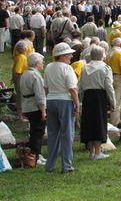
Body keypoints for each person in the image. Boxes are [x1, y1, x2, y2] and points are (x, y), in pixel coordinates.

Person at [44, 42, 79, 173]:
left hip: (51, 100)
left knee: (53, 134)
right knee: (67, 133)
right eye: (69, 54)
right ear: (63, 55)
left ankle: (50, 165)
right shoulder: (67, 68)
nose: (70, 56)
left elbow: (46, 87)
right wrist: (77, 104)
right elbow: (72, 89)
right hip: (64, 101)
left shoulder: (48, 67)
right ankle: (67, 165)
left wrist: (50, 98)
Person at [79, 46, 115, 160]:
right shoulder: (105, 68)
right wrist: (113, 102)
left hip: (88, 97)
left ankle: (91, 152)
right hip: (99, 97)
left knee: (89, 123)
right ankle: (98, 153)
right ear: (102, 55)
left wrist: (80, 99)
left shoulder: (85, 68)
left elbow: (80, 86)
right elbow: (109, 86)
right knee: (99, 123)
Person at [20, 53, 47, 165]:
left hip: (27, 105)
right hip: (35, 106)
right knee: (38, 131)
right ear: (36, 63)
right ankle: (35, 156)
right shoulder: (35, 75)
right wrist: (43, 110)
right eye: (41, 62)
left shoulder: (25, 74)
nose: (43, 64)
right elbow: (40, 95)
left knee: (34, 131)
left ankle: (36, 154)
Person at [107, 38, 121, 126]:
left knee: (120, 98)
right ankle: (115, 123)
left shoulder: (109, 53)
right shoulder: (120, 54)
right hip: (118, 77)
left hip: (110, 77)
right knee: (116, 102)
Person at [12, 40, 28, 120]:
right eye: (25, 46)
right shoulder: (21, 57)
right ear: (22, 49)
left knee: (21, 96)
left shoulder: (21, 56)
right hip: (20, 78)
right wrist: (14, 79)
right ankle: (20, 115)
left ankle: (22, 114)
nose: (27, 48)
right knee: (20, 97)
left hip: (21, 78)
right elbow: (17, 71)